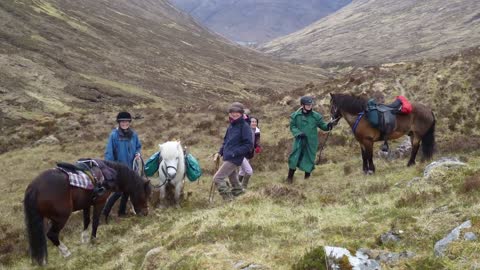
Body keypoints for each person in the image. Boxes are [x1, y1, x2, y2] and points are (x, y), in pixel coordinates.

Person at [102, 111, 142, 218]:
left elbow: (138, 146)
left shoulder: (133, 135)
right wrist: (110, 168)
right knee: (119, 192)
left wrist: (138, 153)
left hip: (131, 169)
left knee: (127, 191)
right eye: (122, 122)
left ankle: (121, 212)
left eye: (126, 121)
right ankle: (105, 212)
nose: (124, 123)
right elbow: (109, 153)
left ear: (129, 122)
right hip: (118, 169)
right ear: (119, 123)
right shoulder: (114, 135)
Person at [286, 96, 333, 184]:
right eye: (307, 105)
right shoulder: (295, 116)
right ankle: (289, 178)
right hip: (299, 141)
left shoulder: (316, 116)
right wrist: (298, 133)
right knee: (294, 158)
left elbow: (323, 126)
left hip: (311, 142)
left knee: (310, 159)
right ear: (302, 105)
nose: (309, 106)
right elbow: (292, 127)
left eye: (311, 105)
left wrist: (329, 125)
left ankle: (307, 179)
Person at [213, 102, 253, 201]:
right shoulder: (231, 126)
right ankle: (239, 195)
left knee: (217, 178)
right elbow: (226, 142)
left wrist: (235, 152)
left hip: (234, 158)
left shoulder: (244, 126)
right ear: (230, 113)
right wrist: (219, 152)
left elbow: (248, 145)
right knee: (233, 178)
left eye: (237, 112)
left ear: (241, 113)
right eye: (232, 112)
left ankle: (229, 200)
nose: (234, 114)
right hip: (227, 156)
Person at [238, 116, 261, 189]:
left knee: (242, 171)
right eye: (252, 122)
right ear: (249, 123)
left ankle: (236, 186)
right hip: (242, 153)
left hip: (249, 154)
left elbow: (257, 141)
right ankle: (243, 187)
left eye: (255, 122)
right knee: (249, 171)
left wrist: (257, 147)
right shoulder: (246, 130)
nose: (254, 123)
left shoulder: (257, 131)